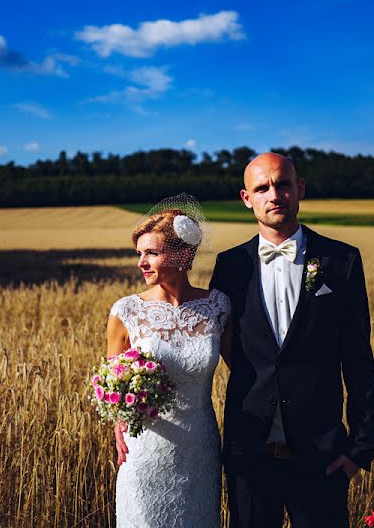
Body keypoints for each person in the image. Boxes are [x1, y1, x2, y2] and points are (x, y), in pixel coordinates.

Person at [209, 152, 374, 528]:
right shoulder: (229, 267)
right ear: (246, 198)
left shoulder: (341, 261)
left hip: (322, 454)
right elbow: (216, 349)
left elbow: (358, 359)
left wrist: (359, 449)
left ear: (299, 188)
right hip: (249, 452)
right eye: (262, 188)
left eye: (282, 184)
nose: (274, 195)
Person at [107, 203, 232, 528]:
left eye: (151, 253)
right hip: (144, 449)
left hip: (199, 450)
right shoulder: (127, 312)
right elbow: (113, 383)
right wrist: (119, 422)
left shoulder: (217, 307)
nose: (141, 263)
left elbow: (248, 374)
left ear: (182, 255)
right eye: (139, 253)